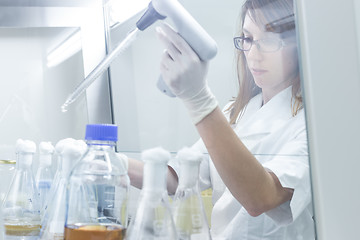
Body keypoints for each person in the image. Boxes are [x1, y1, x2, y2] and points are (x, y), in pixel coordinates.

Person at [128, 0, 315, 239]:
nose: (253, 55)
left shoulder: (310, 125)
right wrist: (115, 165)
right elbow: (177, 177)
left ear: (299, 44)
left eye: (268, 40)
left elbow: (261, 197)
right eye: (247, 39)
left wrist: (199, 101)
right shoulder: (236, 112)